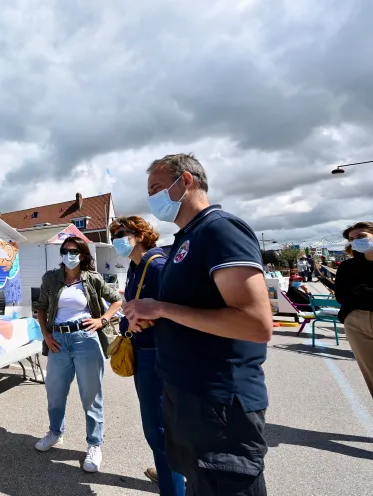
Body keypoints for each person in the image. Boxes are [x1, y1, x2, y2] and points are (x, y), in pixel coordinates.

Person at [123, 153, 273, 495]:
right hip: (188, 395)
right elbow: (186, 310)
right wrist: (153, 317)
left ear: (186, 181)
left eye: (157, 188)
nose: (152, 199)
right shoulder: (184, 239)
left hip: (219, 403)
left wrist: (160, 308)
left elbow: (255, 324)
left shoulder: (220, 229)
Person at [32, 236, 123, 473]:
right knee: (54, 391)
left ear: (82, 254)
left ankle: (94, 445)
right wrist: (46, 334)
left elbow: (116, 301)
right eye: (65, 250)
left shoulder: (92, 279)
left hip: (85, 340)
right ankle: (55, 432)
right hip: (58, 341)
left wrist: (102, 320)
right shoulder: (50, 278)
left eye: (74, 251)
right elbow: (41, 307)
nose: (69, 254)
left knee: (91, 396)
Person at [110, 216, 186, 495]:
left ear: (140, 235)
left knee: (159, 431)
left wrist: (143, 320)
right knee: (160, 429)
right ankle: (172, 474)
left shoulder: (156, 266)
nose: (115, 238)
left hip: (155, 355)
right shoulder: (135, 267)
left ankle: (173, 485)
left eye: (121, 233)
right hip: (145, 351)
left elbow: (179, 312)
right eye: (113, 234)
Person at [336, 221, 373, 399]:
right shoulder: (347, 267)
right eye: (352, 239)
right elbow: (342, 296)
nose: (356, 241)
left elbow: (354, 293)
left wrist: (360, 291)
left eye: (361, 236)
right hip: (357, 323)